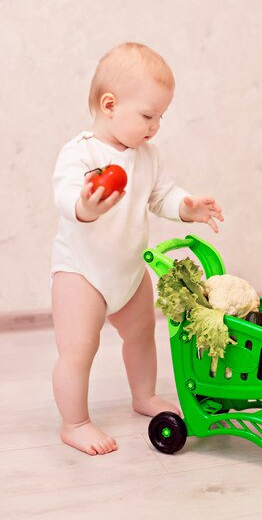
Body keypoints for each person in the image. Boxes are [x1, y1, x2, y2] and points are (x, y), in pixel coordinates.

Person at [50, 42, 224, 456]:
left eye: (161, 116)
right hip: (82, 273)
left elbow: (160, 195)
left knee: (143, 335)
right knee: (79, 350)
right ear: (109, 105)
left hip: (128, 272)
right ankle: (74, 422)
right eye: (148, 115)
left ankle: (143, 395)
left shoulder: (147, 156)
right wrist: (86, 206)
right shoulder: (81, 152)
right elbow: (66, 195)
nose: (155, 125)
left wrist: (186, 207)